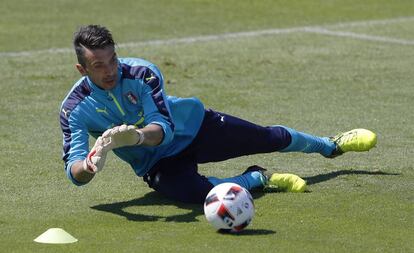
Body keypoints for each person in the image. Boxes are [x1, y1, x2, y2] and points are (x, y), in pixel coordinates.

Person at [59, 25, 377, 204]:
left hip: (195, 127)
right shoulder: (74, 109)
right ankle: (258, 178)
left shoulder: (142, 74)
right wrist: (88, 165)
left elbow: (165, 128)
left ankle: (330, 145)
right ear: (81, 68)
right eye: (98, 66)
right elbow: (74, 174)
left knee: (268, 138)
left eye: (112, 60)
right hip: (157, 163)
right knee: (193, 194)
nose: (110, 70)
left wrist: (138, 137)